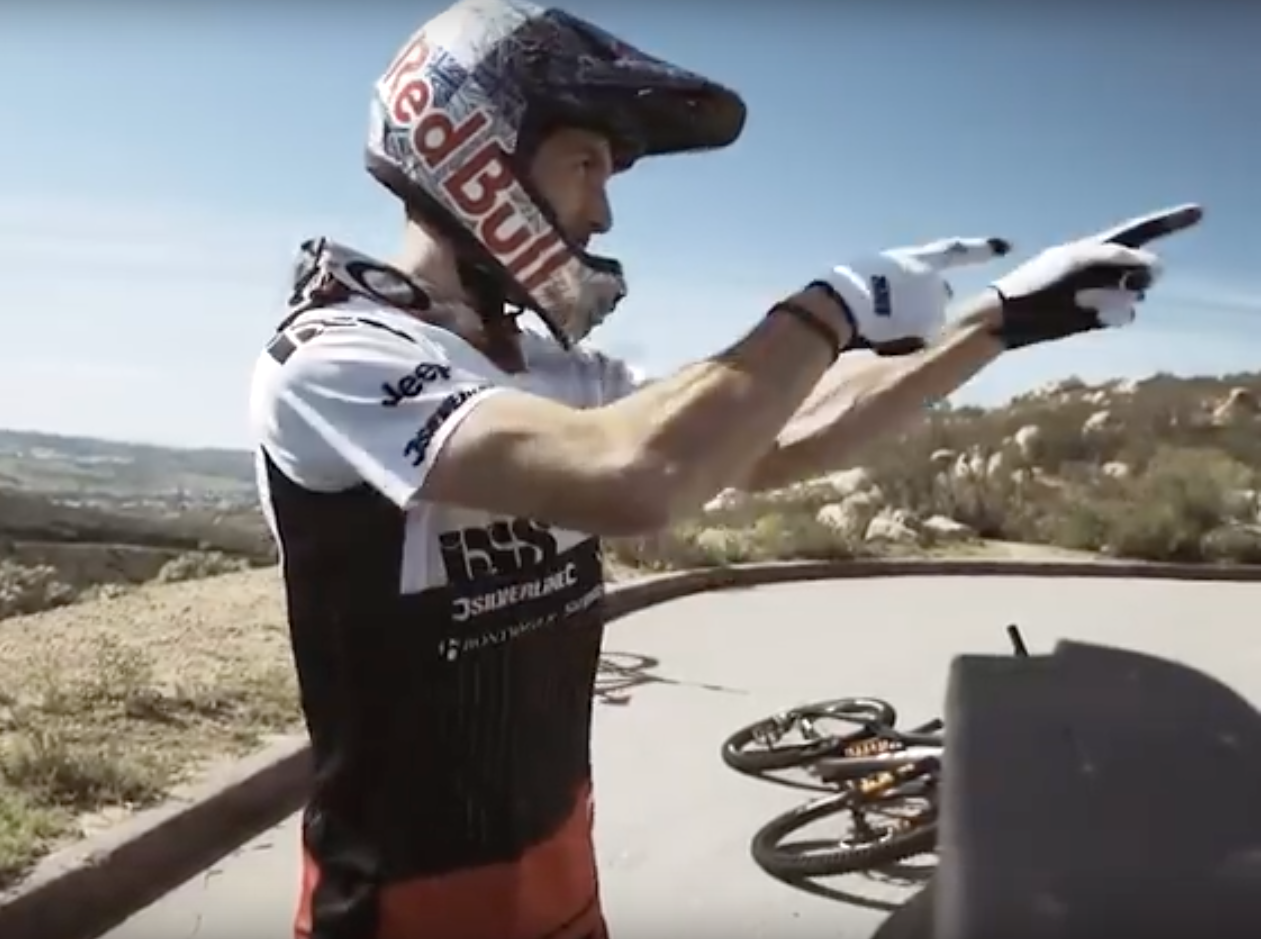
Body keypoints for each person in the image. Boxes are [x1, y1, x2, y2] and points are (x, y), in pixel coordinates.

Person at [245, 2, 1203, 937]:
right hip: (404, 906)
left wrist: (993, 322)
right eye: (586, 163)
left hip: (561, 877)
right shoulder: (335, 357)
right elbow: (632, 474)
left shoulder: (552, 369)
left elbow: (774, 434)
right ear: (471, 150)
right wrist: (826, 310)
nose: (602, 209)